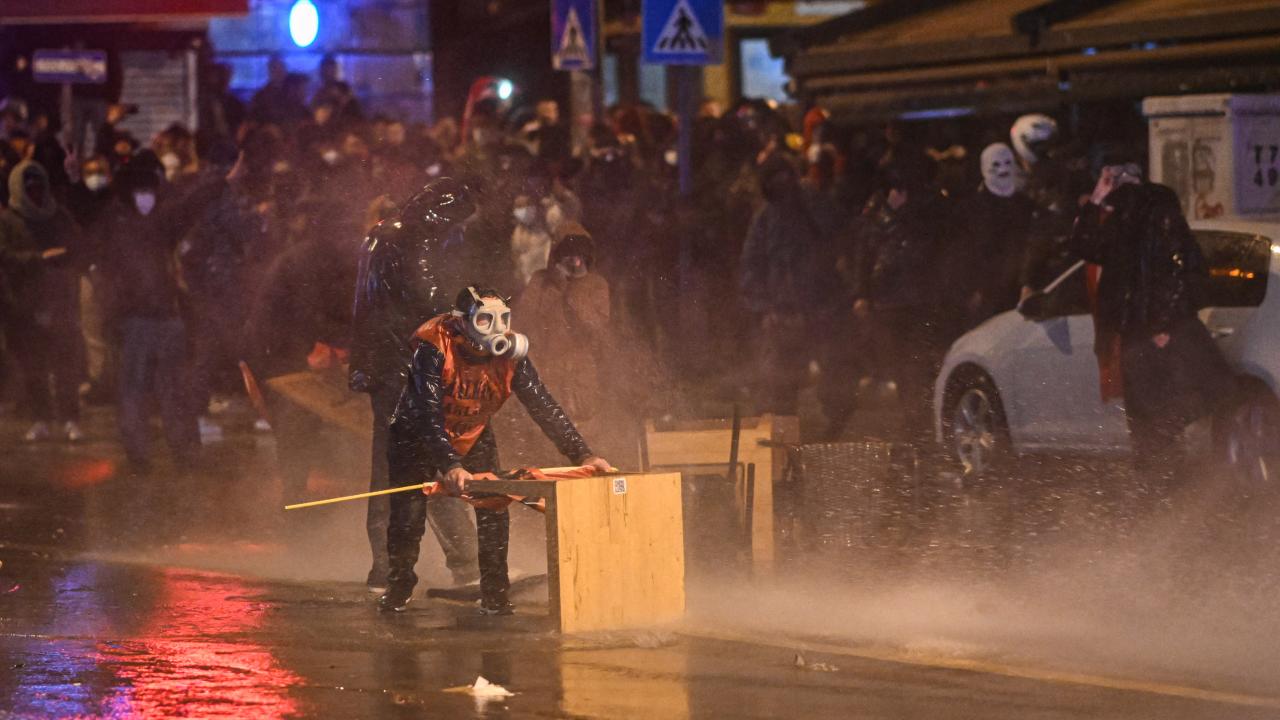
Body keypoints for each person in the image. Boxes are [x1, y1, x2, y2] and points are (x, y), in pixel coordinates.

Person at [382, 285, 611, 614]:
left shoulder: (511, 356)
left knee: (493, 508)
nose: (498, 329)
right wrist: (449, 464)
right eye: (486, 320)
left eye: (503, 319)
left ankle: (495, 594)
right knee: (408, 516)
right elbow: (427, 412)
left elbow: (542, 405)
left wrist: (582, 455)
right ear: (462, 323)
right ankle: (399, 587)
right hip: (416, 433)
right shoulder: (433, 347)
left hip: (473, 431)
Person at [349, 178, 480, 594]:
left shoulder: (380, 236)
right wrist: (470, 317)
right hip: (406, 367)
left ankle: (391, 567)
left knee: (399, 464)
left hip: (384, 366)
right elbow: (428, 299)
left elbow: (367, 307)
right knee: (427, 460)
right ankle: (463, 564)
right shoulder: (415, 240)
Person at [1067, 170, 1234, 481]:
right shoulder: (1127, 227)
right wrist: (1097, 200)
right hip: (1141, 334)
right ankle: (1161, 487)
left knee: (1156, 417)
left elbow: (1177, 274)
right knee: (1151, 420)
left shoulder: (1153, 219)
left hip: (1152, 334)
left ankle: (1165, 486)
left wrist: (1161, 326)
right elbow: (1083, 247)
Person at [98, 154, 202, 470]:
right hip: (137, 322)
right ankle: (142, 455)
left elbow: (190, 206)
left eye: (150, 190)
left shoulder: (162, 221)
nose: (146, 197)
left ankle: (179, 453)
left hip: (164, 318)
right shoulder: (116, 224)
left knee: (170, 389)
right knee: (138, 389)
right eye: (140, 191)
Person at [0, 160, 84, 442]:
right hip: (25, 305)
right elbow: (5, 256)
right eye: (29, 187)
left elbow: (77, 245)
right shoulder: (7, 220)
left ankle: (70, 419)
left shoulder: (58, 215)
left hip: (60, 300)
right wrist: (38, 260)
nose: (35, 192)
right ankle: (41, 419)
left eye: (39, 186)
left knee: (65, 366)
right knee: (33, 367)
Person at [949, 143, 1035, 329]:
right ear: (984, 168)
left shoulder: (1026, 206)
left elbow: (1030, 247)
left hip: (1017, 294)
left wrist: (1027, 283)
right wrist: (971, 289)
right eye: (996, 164)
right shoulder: (972, 209)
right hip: (984, 297)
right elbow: (964, 252)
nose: (1003, 169)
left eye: (1007, 162)